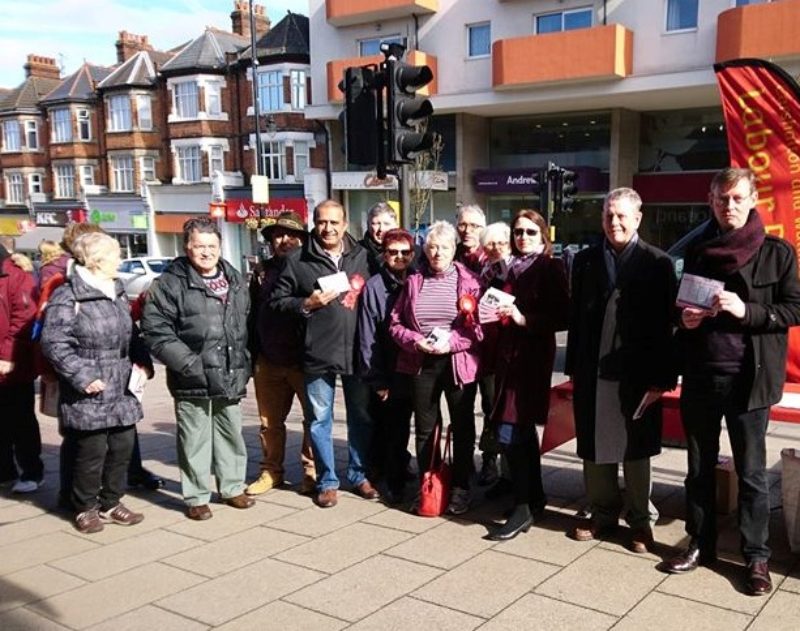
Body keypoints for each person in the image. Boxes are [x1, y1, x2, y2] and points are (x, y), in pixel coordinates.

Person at [664, 167, 800, 596]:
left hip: (750, 382)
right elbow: (680, 306)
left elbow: (794, 309)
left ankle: (755, 557)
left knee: (753, 474)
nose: (730, 206)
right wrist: (684, 319)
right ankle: (700, 544)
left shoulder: (778, 253)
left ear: (753, 199)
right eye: (722, 199)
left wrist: (748, 311)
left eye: (738, 198)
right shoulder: (699, 250)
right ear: (711, 201)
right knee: (698, 469)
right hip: (702, 377)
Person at [565, 187, 676, 554]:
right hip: (593, 369)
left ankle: (641, 521)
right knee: (595, 447)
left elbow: (666, 327)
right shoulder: (584, 262)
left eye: (622, 215)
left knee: (636, 449)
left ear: (638, 218)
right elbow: (576, 323)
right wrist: (573, 370)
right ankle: (602, 513)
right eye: (608, 215)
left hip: (638, 374)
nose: (614, 222)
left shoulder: (658, 264)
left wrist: (664, 377)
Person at [141, 218, 254, 520]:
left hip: (230, 371)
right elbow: (155, 330)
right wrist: (189, 364)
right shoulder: (170, 283)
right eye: (199, 246)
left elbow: (246, 322)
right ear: (187, 247)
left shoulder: (234, 278)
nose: (206, 252)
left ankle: (232, 487)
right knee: (195, 438)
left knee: (231, 434)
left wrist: (246, 359)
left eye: (212, 246)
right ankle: (196, 496)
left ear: (220, 246)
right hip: (193, 375)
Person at [41, 232, 152, 533]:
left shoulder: (115, 289)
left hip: (121, 383)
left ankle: (112, 501)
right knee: (91, 452)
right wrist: (83, 376)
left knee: (121, 446)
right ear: (96, 260)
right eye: (116, 254)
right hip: (90, 387)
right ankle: (84, 506)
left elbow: (131, 332)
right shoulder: (68, 295)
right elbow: (54, 343)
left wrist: (143, 361)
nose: (120, 260)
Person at [269, 199, 374, 508]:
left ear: (345, 225)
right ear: (314, 224)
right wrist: (306, 304)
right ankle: (327, 481)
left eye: (334, 222)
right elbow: (276, 302)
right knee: (319, 419)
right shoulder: (298, 259)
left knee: (360, 418)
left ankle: (358, 474)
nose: (328, 228)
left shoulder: (363, 257)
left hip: (356, 351)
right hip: (317, 352)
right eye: (321, 222)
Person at [389, 220, 483, 515]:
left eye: (443, 247)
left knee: (463, 426)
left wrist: (452, 342)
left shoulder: (471, 281)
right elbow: (395, 323)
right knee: (426, 428)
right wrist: (416, 341)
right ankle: (427, 483)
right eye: (431, 247)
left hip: (457, 363)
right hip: (422, 362)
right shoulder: (414, 280)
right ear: (424, 250)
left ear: (454, 249)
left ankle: (460, 486)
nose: (437, 252)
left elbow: (479, 329)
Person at [487, 210, 569, 540]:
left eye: (530, 232)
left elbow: (564, 315)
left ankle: (523, 507)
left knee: (510, 432)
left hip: (531, 360)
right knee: (518, 433)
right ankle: (533, 499)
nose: (523, 237)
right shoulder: (507, 268)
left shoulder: (551, 266)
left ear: (543, 236)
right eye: (518, 232)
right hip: (507, 359)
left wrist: (524, 319)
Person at [245, 211, 316, 496]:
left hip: (304, 358)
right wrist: (251, 356)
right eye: (278, 235)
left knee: (313, 419)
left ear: (302, 239)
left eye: (292, 235)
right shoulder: (261, 273)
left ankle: (311, 471)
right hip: (268, 359)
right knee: (269, 422)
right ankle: (270, 471)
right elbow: (251, 316)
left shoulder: (311, 268)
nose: (285, 240)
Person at [357, 228, 416, 505]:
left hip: (419, 368)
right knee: (394, 429)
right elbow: (368, 337)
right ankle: (395, 483)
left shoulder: (418, 279)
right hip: (391, 370)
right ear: (384, 255)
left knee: (426, 427)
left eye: (405, 252)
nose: (399, 257)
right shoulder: (374, 287)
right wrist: (378, 380)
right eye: (393, 252)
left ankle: (423, 476)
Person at [454, 204, 497, 486]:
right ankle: (464, 460)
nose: (467, 230)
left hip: (492, 347)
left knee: (492, 405)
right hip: (462, 347)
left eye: (473, 226)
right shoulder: (449, 254)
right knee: (462, 407)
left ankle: (491, 460)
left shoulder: (492, 258)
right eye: (462, 225)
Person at [0, 241, 42, 494]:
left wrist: (6, 356)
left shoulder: (15, 276)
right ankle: (4, 471)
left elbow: (24, 318)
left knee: (20, 421)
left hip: (14, 365)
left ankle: (32, 471)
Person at [360, 202, 398, 276]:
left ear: (396, 225)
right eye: (376, 223)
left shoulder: (410, 251)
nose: (381, 229)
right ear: (368, 225)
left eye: (386, 224)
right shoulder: (357, 252)